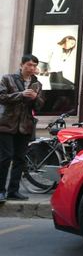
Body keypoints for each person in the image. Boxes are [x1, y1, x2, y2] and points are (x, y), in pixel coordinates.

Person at [0, 55, 44, 202]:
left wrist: (35, 98)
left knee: (19, 159)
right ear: (21, 64)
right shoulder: (8, 79)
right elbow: (1, 97)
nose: (32, 68)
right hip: (7, 124)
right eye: (29, 65)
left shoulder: (36, 83)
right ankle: (1, 191)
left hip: (25, 125)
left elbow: (40, 105)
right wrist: (21, 94)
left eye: (34, 65)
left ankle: (13, 191)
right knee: (5, 157)